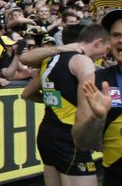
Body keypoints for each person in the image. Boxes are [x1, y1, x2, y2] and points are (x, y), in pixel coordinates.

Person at [21, 25, 111, 186]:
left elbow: (26, 93)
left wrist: (54, 102)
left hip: (47, 133)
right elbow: (84, 107)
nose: (106, 54)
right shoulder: (83, 61)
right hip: (70, 136)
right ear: (98, 42)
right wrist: (93, 139)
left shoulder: (50, 60)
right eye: (106, 48)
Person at [72, 10, 122, 186]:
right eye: (116, 35)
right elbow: (82, 142)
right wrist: (97, 117)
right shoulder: (94, 81)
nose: (121, 40)